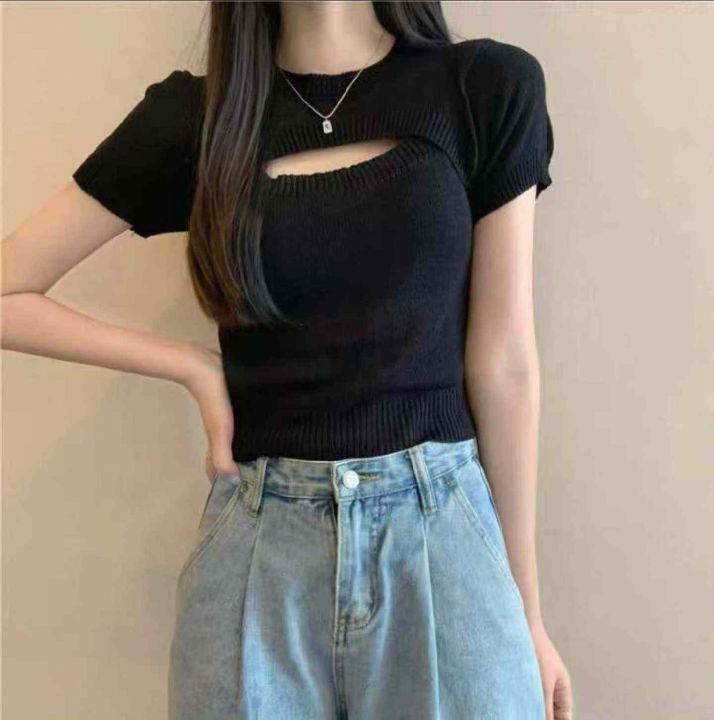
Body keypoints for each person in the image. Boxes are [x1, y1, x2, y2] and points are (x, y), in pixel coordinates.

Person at [1, 2, 574, 719]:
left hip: (444, 542)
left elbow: (505, 364)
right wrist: (192, 367)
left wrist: (527, 613)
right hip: (258, 549)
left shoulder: (483, 86)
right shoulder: (196, 119)